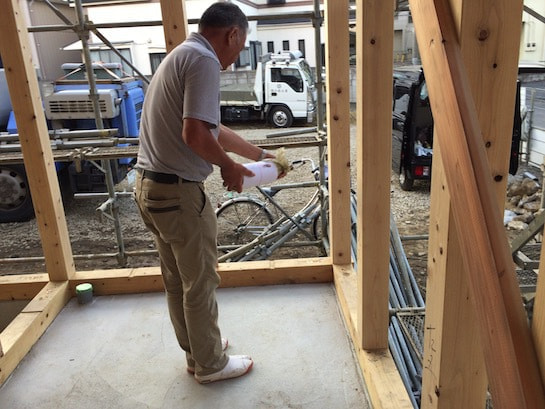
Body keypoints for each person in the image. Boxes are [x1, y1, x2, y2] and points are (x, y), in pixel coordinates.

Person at [135, 2, 271, 384]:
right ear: (233, 34)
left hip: (150, 187)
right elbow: (195, 134)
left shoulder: (182, 54)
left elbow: (211, 128)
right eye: (240, 46)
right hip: (178, 195)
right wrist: (228, 166)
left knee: (178, 281)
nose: (235, 57)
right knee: (200, 282)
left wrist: (256, 155)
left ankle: (197, 352)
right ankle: (211, 364)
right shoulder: (205, 60)